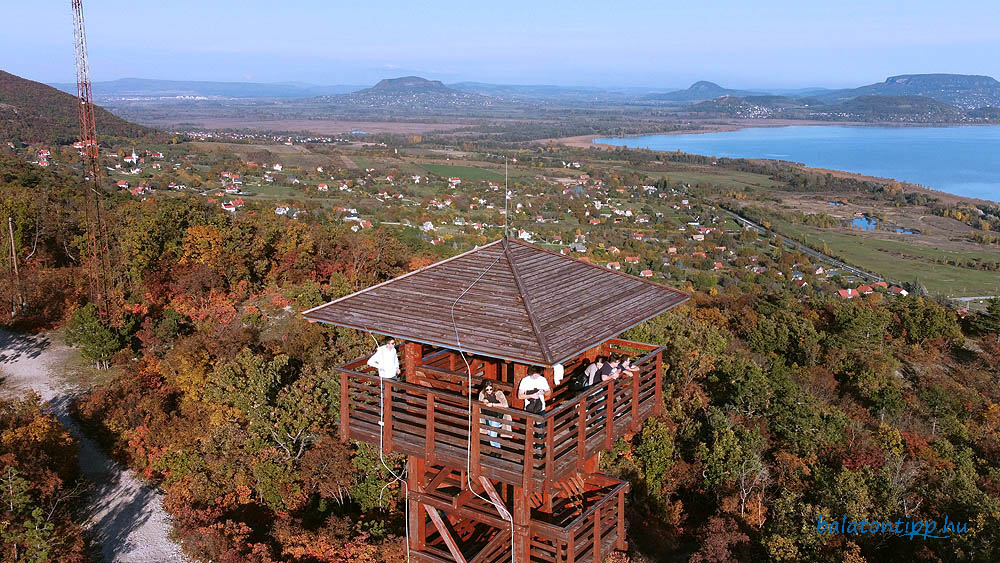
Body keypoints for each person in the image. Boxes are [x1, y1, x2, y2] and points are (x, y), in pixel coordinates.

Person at [517, 372, 551, 459]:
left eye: (538, 374)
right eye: (534, 374)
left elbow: (548, 393)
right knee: (529, 430)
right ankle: (529, 450)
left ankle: (539, 449)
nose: (536, 376)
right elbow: (520, 396)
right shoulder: (525, 380)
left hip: (540, 408)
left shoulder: (542, 380)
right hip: (529, 409)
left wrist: (542, 392)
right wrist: (531, 395)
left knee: (540, 429)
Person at [478, 381, 509, 451]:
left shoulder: (498, 393)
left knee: (493, 434)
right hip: (487, 415)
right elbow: (479, 403)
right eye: (487, 390)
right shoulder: (482, 393)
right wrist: (483, 401)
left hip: (496, 416)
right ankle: (495, 449)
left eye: (490, 389)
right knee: (489, 433)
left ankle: (497, 450)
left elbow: (505, 404)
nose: (489, 391)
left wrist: (492, 404)